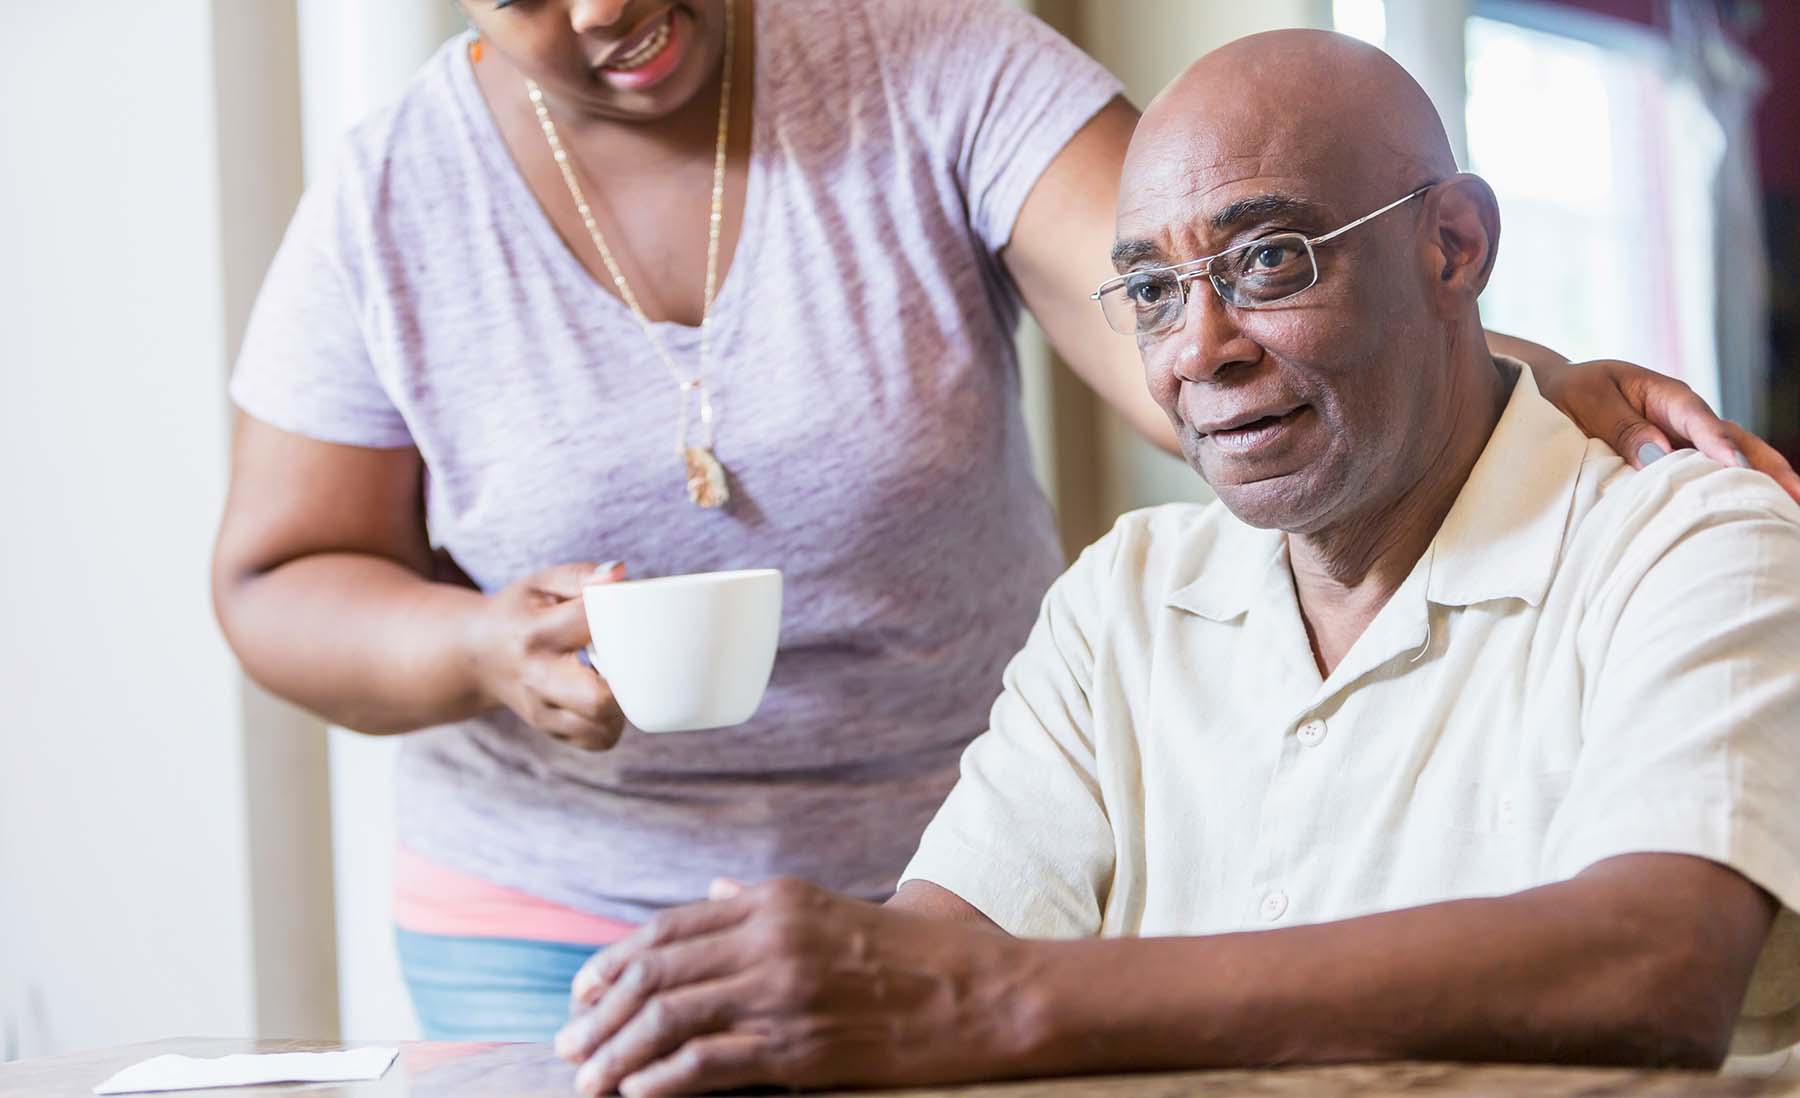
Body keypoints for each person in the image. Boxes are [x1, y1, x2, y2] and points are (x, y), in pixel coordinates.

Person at [211, 0, 1795, 1040]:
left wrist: (1533, 377)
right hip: (548, 895)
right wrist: (487, 645)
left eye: (1267, 269)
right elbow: (276, 571)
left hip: (925, 884)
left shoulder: (931, 60)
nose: (612, 6)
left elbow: (1207, 298)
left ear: (1461, 245)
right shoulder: (386, 194)